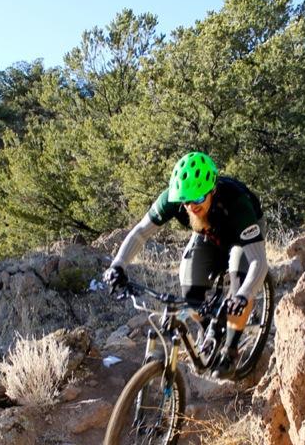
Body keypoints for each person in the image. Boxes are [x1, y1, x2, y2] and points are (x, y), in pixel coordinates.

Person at [103, 151, 268, 379]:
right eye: (186, 200)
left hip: (241, 237)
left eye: (199, 199)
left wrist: (245, 294)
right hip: (206, 234)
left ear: (213, 191)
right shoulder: (174, 198)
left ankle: (231, 347)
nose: (191, 206)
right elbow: (141, 233)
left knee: (238, 287)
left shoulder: (237, 203)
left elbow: (259, 261)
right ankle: (212, 328)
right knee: (190, 298)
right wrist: (118, 264)